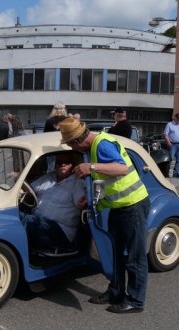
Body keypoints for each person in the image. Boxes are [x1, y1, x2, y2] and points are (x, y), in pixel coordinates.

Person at [60, 117, 150, 314]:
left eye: (70, 145)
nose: (72, 149)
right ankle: (116, 291)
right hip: (120, 207)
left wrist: (91, 167)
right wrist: (91, 199)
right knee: (115, 252)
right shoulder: (95, 146)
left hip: (133, 205)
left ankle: (135, 301)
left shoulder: (101, 145)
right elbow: (107, 181)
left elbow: (121, 168)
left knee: (134, 256)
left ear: (76, 141)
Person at [21, 153, 86, 254]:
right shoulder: (49, 177)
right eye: (59, 162)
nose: (62, 165)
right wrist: (18, 179)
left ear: (73, 165)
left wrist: (82, 203)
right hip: (40, 223)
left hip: (61, 230)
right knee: (16, 215)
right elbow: (30, 188)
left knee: (28, 221)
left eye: (67, 162)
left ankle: (14, 253)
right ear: (55, 164)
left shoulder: (78, 183)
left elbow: (80, 202)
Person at [164, 112, 179, 178]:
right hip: (172, 144)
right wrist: (168, 142)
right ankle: (166, 173)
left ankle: (176, 173)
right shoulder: (169, 125)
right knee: (170, 159)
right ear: (174, 118)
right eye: (178, 118)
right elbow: (165, 134)